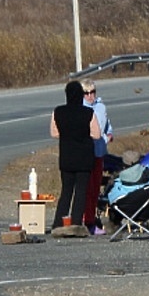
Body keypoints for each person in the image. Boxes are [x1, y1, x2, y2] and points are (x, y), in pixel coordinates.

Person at [50, 80, 101, 231]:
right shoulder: (88, 113)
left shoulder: (58, 111)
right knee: (81, 192)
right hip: (84, 157)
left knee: (66, 191)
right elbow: (97, 134)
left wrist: (67, 134)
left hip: (66, 156)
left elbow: (54, 133)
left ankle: (58, 222)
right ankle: (76, 223)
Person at [81, 78, 113, 235]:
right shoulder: (81, 108)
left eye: (92, 92)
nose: (89, 96)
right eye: (86, 93)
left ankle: (91, 220)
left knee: (95, 189)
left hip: (99, 152)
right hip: (86, 154)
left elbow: (108, 126)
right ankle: (85, 220)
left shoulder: (101, 107)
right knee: (86, 189)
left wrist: (108, 136)